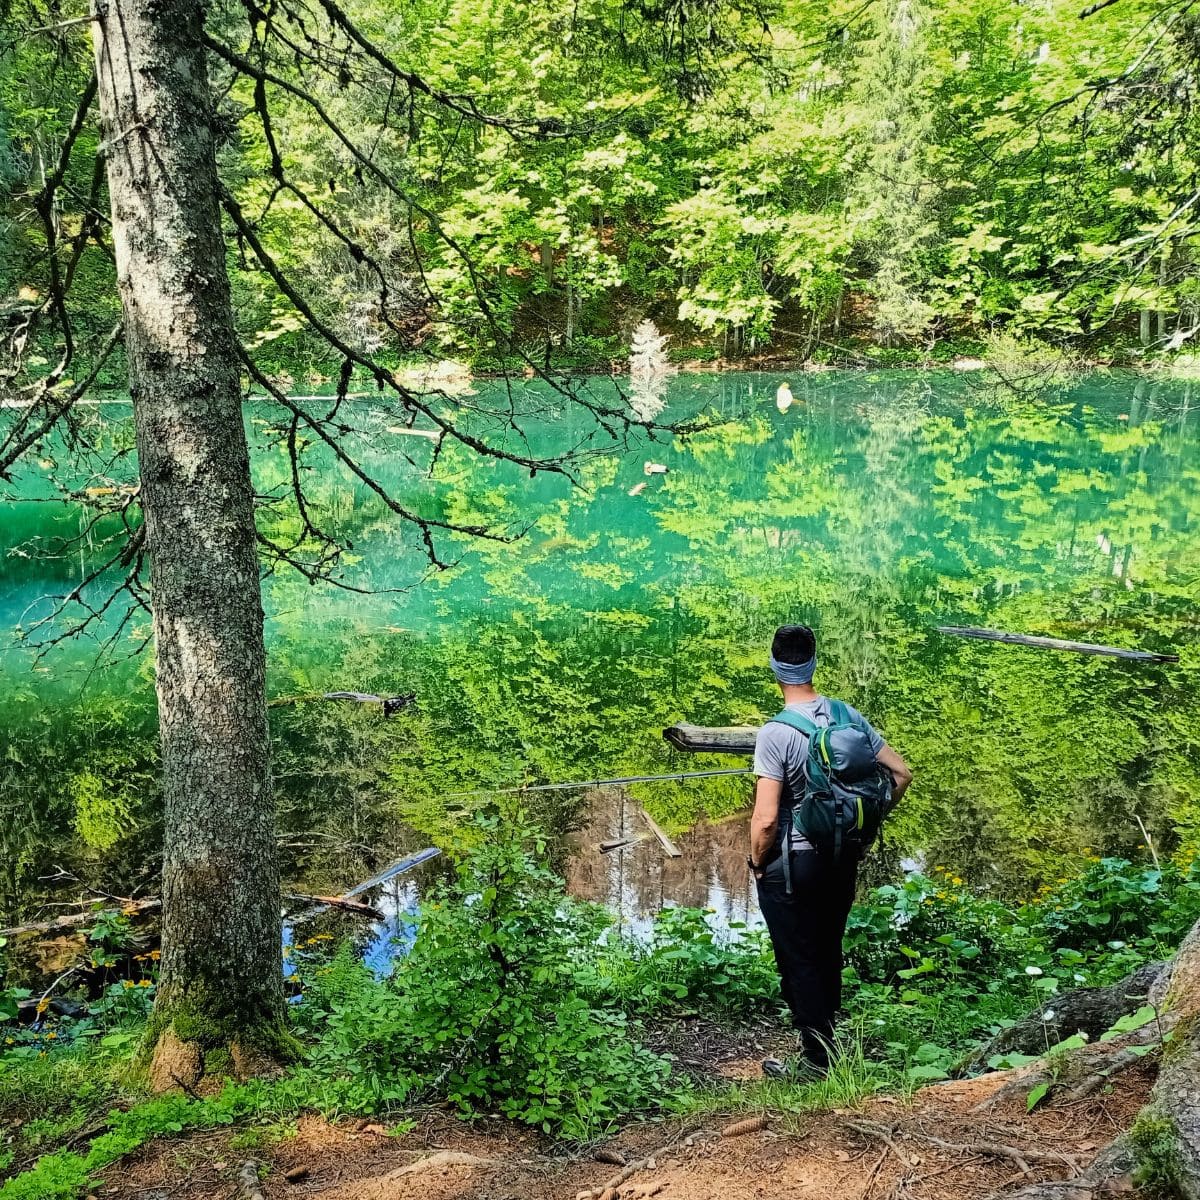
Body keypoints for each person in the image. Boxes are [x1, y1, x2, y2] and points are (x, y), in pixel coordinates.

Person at [748, 624, 912, 1079]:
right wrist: (862, 828)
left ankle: (817, 1063)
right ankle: (825, 1044)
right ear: (814, 664)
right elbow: (900, 775)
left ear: (774, 667)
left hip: (793, 865)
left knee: (798, 957)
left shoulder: (775, 734)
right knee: (826, 947)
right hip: (841, 859)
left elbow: (764, 820)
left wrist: (758, 863)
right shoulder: (848, 716)